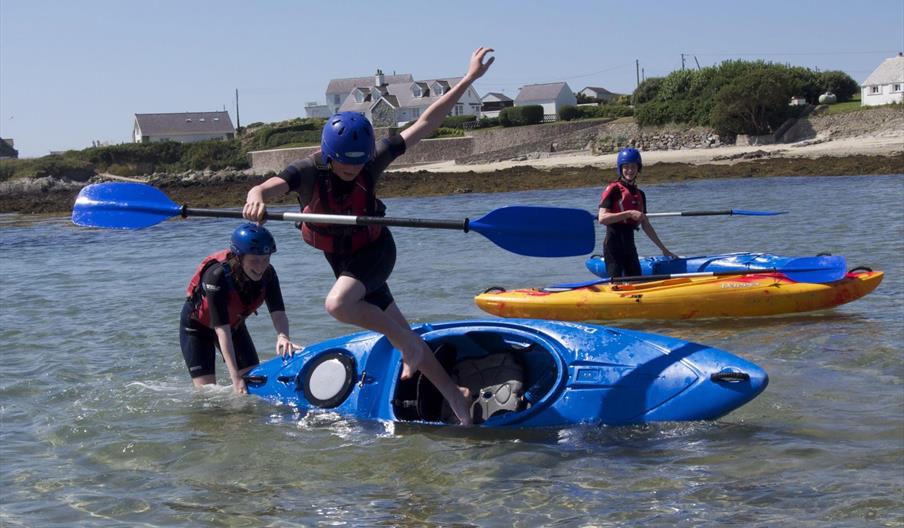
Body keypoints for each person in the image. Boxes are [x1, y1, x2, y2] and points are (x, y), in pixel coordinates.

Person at [243, 47, 495, 425]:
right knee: (398, 331)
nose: (353, 169)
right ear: (329, 156)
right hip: (343, 260)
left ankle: (408, 346)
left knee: (338, 305)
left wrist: (468, 79)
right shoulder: (308, 171)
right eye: (346, 164)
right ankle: (457, 398)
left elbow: (426, 122)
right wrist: (256, 196)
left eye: (359, 163)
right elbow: (269, 186)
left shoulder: (369, 158)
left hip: (375, 252)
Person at [180, 223, 301, 394]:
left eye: (265, 259)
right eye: (254, 260)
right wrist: (235, 378)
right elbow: (222, 331)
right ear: (239, 257)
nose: (260, 266)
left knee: (254, 385)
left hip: (234, 326)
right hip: (197, 328)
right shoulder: (216, 276)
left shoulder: (269, 274)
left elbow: (278, 312)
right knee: (207, 394)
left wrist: (283, 336)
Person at [598, 147, 678, 278]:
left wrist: (664, 249)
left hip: (630, 246)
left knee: (636, 283)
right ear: (620, 168)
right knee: (616, 284)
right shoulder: (613, 190)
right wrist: (628, 214)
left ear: (638, 169)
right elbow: (602, 218)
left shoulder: (640, 194)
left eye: (633, 167)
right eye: (626, 167)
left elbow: (646, 225)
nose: (630, 170)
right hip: (613, 246)